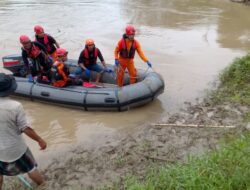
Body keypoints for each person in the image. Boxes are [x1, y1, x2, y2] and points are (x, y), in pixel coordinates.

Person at [0, 73, 47, 190]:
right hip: (15, 148)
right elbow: (25, 128)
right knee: (30, 168)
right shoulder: (15, 106)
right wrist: (40, 140)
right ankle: (43, 185)